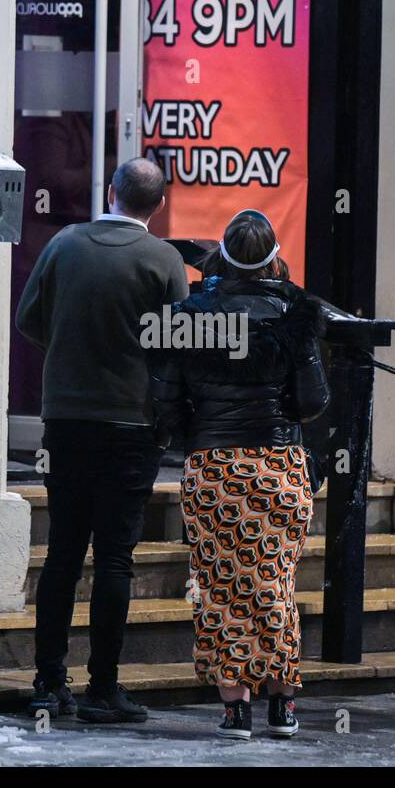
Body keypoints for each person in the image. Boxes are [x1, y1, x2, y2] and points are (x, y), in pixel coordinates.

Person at [15, 157, 189, 724]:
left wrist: (70, 353)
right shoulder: (164, 259)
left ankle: (47, 681)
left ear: (111, 191)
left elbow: (29, 319)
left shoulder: (65, 243)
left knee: (63, 553)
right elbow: (176, 343)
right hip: (133, 424)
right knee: (115, 558)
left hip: (66, 420)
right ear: (158, 205)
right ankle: (103, 688)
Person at [151, 210, 329, 740]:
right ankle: (284, 706)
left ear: (219, 257)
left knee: (220, 589)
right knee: (276, 584)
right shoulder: (297, 313)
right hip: (278, 469)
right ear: (275, 258)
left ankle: (235, 710)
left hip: (215, 471)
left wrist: (199, 435)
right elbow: (313, 402)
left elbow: (165, 405)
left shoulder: (189, 316)